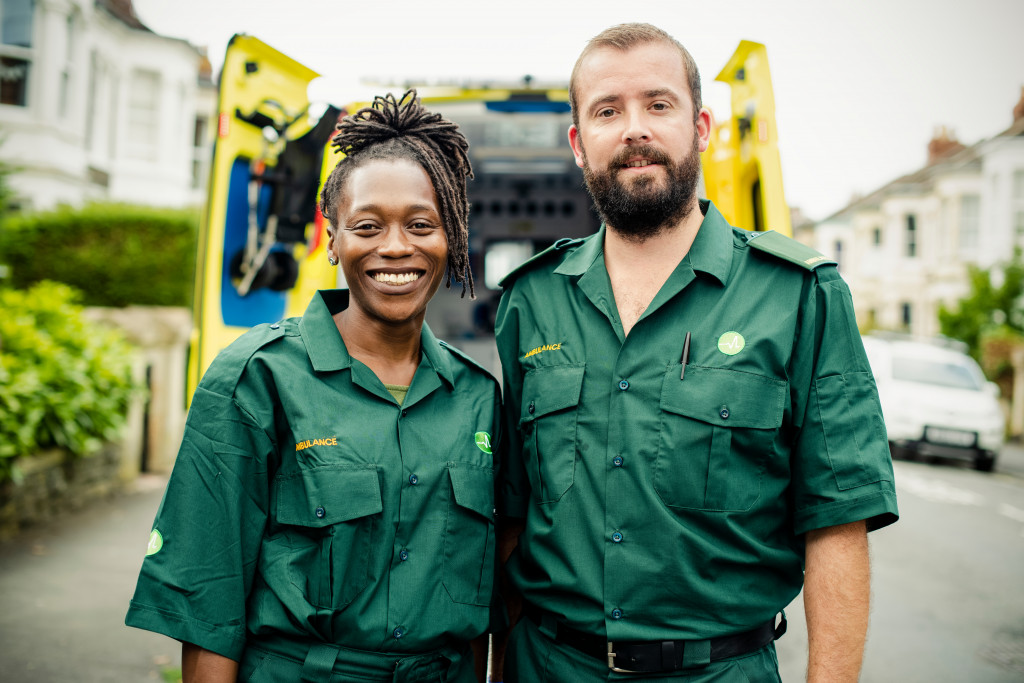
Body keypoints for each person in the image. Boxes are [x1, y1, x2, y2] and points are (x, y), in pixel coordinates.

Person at [493, 23, 899, 683]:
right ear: (577, 143)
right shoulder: (530, 301)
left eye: (659, 104)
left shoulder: (799, 294)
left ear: (702, 125)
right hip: (547, 666)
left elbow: (838, 521)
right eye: (606, 110)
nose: (634, 129)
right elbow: (513, 515)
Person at [126, 90, 501, 683]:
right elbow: (208, 603)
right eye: (368, 226)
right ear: (332, 239)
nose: (396, 247)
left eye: (421, 224)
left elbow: (494, 607)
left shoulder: (479, 397)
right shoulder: (258, 376)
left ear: (450, 236)